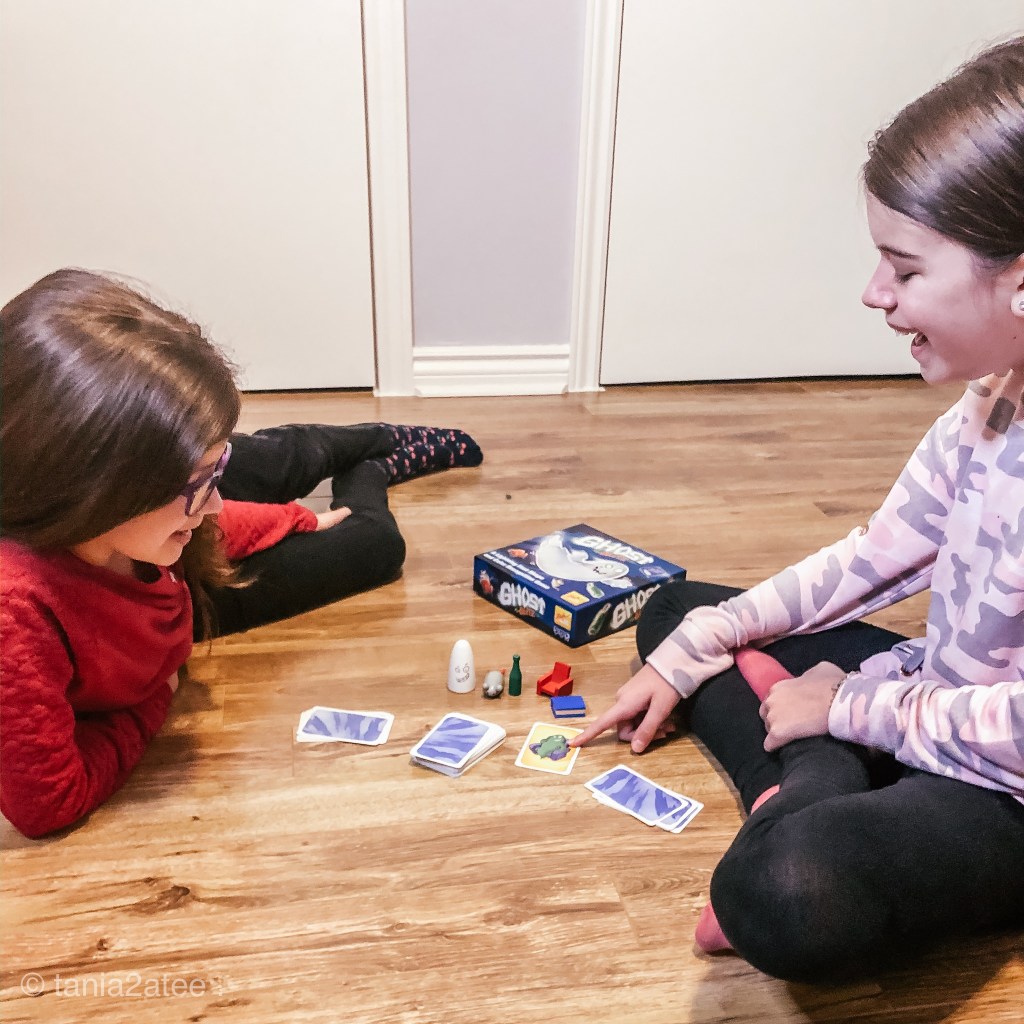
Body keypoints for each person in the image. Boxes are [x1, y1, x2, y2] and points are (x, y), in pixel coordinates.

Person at [571, 35, 1024, 982]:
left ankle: (805, 784)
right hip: (927, 697)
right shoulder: (991, 401)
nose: (874, 294)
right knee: (674, 610)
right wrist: (702, 641)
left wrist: (850, 708)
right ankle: (813, 764)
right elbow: (876, 557)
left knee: (790, 889)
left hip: (1005, 789)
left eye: (903, 270)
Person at [0, 268, 482, 838]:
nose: (214, 502)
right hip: (183, 615)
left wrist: (295, 516)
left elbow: (211, 520)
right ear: (100, 491)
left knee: (277, 459)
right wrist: (157, 697)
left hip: (172, 570)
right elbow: (49, 802)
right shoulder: (17, 613)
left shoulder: (153, 513)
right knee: (374, 546)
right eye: (202, 482)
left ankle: (372, 436)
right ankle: (371, 471)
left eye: (213, 472)